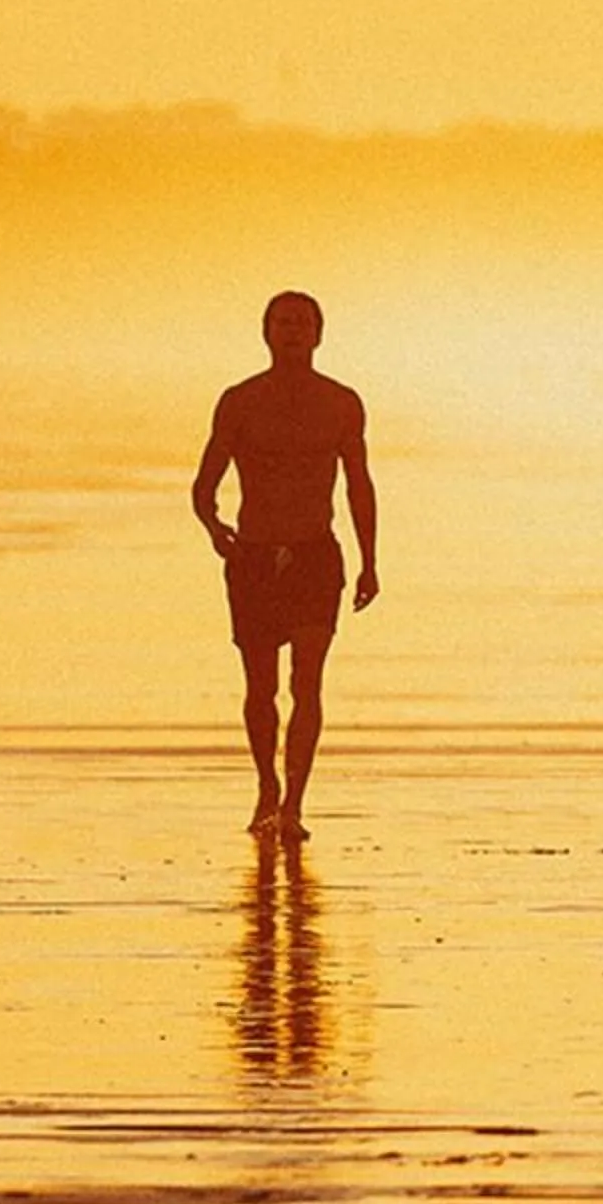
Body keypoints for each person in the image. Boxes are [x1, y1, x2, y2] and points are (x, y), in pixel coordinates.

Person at [191, 290, 379, 841]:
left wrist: (370, 561)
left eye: (302, 323)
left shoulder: (342, 403)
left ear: (319, 334)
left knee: (308, 681)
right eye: (282, 323)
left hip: (315, 555)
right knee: (259, 687)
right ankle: (266, 788)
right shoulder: (240, 401)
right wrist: (214, 528)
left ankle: (294, 804)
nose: (292, 331)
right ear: (266, 332)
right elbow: (204, 485)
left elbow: (359, 485)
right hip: (252, 556)